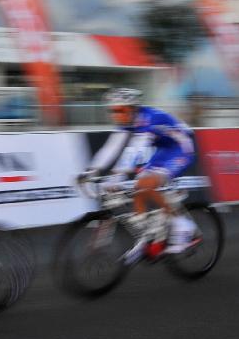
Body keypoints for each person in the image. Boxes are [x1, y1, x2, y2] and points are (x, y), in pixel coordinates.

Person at [80, 88, 199, 256]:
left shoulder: (148, 119)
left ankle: (182, 225)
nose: (116, 114)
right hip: (163, 149)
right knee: (139, 188)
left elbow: (134, 152)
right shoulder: (128, 121)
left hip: (182, 148)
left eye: (120, 110)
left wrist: (118, 176)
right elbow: (111, 148)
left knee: (146, 183)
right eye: (112, 110)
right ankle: (147, 238)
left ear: (132, 108)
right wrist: (91, 171)